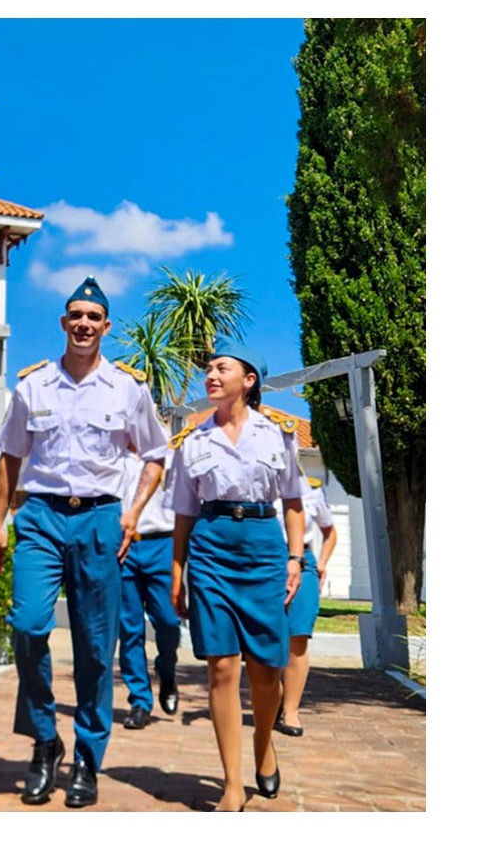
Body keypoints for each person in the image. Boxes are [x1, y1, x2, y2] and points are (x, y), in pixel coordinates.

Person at [0, 276, 169, 808]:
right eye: (76, 315)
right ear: (64, 323)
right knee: (27, 625)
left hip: (100, 520)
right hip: (41, 516)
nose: (84, 324)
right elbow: (9, 458)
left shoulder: (128, 389)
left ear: (106, 326)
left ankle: (88, 758)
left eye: (94, 317)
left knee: (96, 646)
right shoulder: (33, 386)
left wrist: (133, 514)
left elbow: (155, 455)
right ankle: (46, 739)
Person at [168, 338, 306, 812]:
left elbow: (292, 503)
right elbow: (184, 513)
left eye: (221, 368)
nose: (211, 375)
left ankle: (264, 745)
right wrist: (177, 570)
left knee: (267, 668)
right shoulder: (192, 441)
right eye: (208, 368)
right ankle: (231, 783)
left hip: (264, 549)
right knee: (222, 667)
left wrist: (295, 559)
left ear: (248, 381)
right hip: (210, 547)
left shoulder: (278, 434)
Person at [117, 449, 182, 731]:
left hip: (162, 544)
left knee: (168, 621)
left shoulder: (168, 453)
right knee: (129, 628)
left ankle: (167, 674)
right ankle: (140, 700)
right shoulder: (111, 452)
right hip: (122, 546)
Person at [274, 474, 338, 737]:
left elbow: (330, 531)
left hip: (303, 562)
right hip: (266, 562)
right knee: (268, 638)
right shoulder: (255, 485)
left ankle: (291, 710)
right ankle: (273, 700)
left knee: (298, 637)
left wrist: (321, 563)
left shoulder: (311, 488)